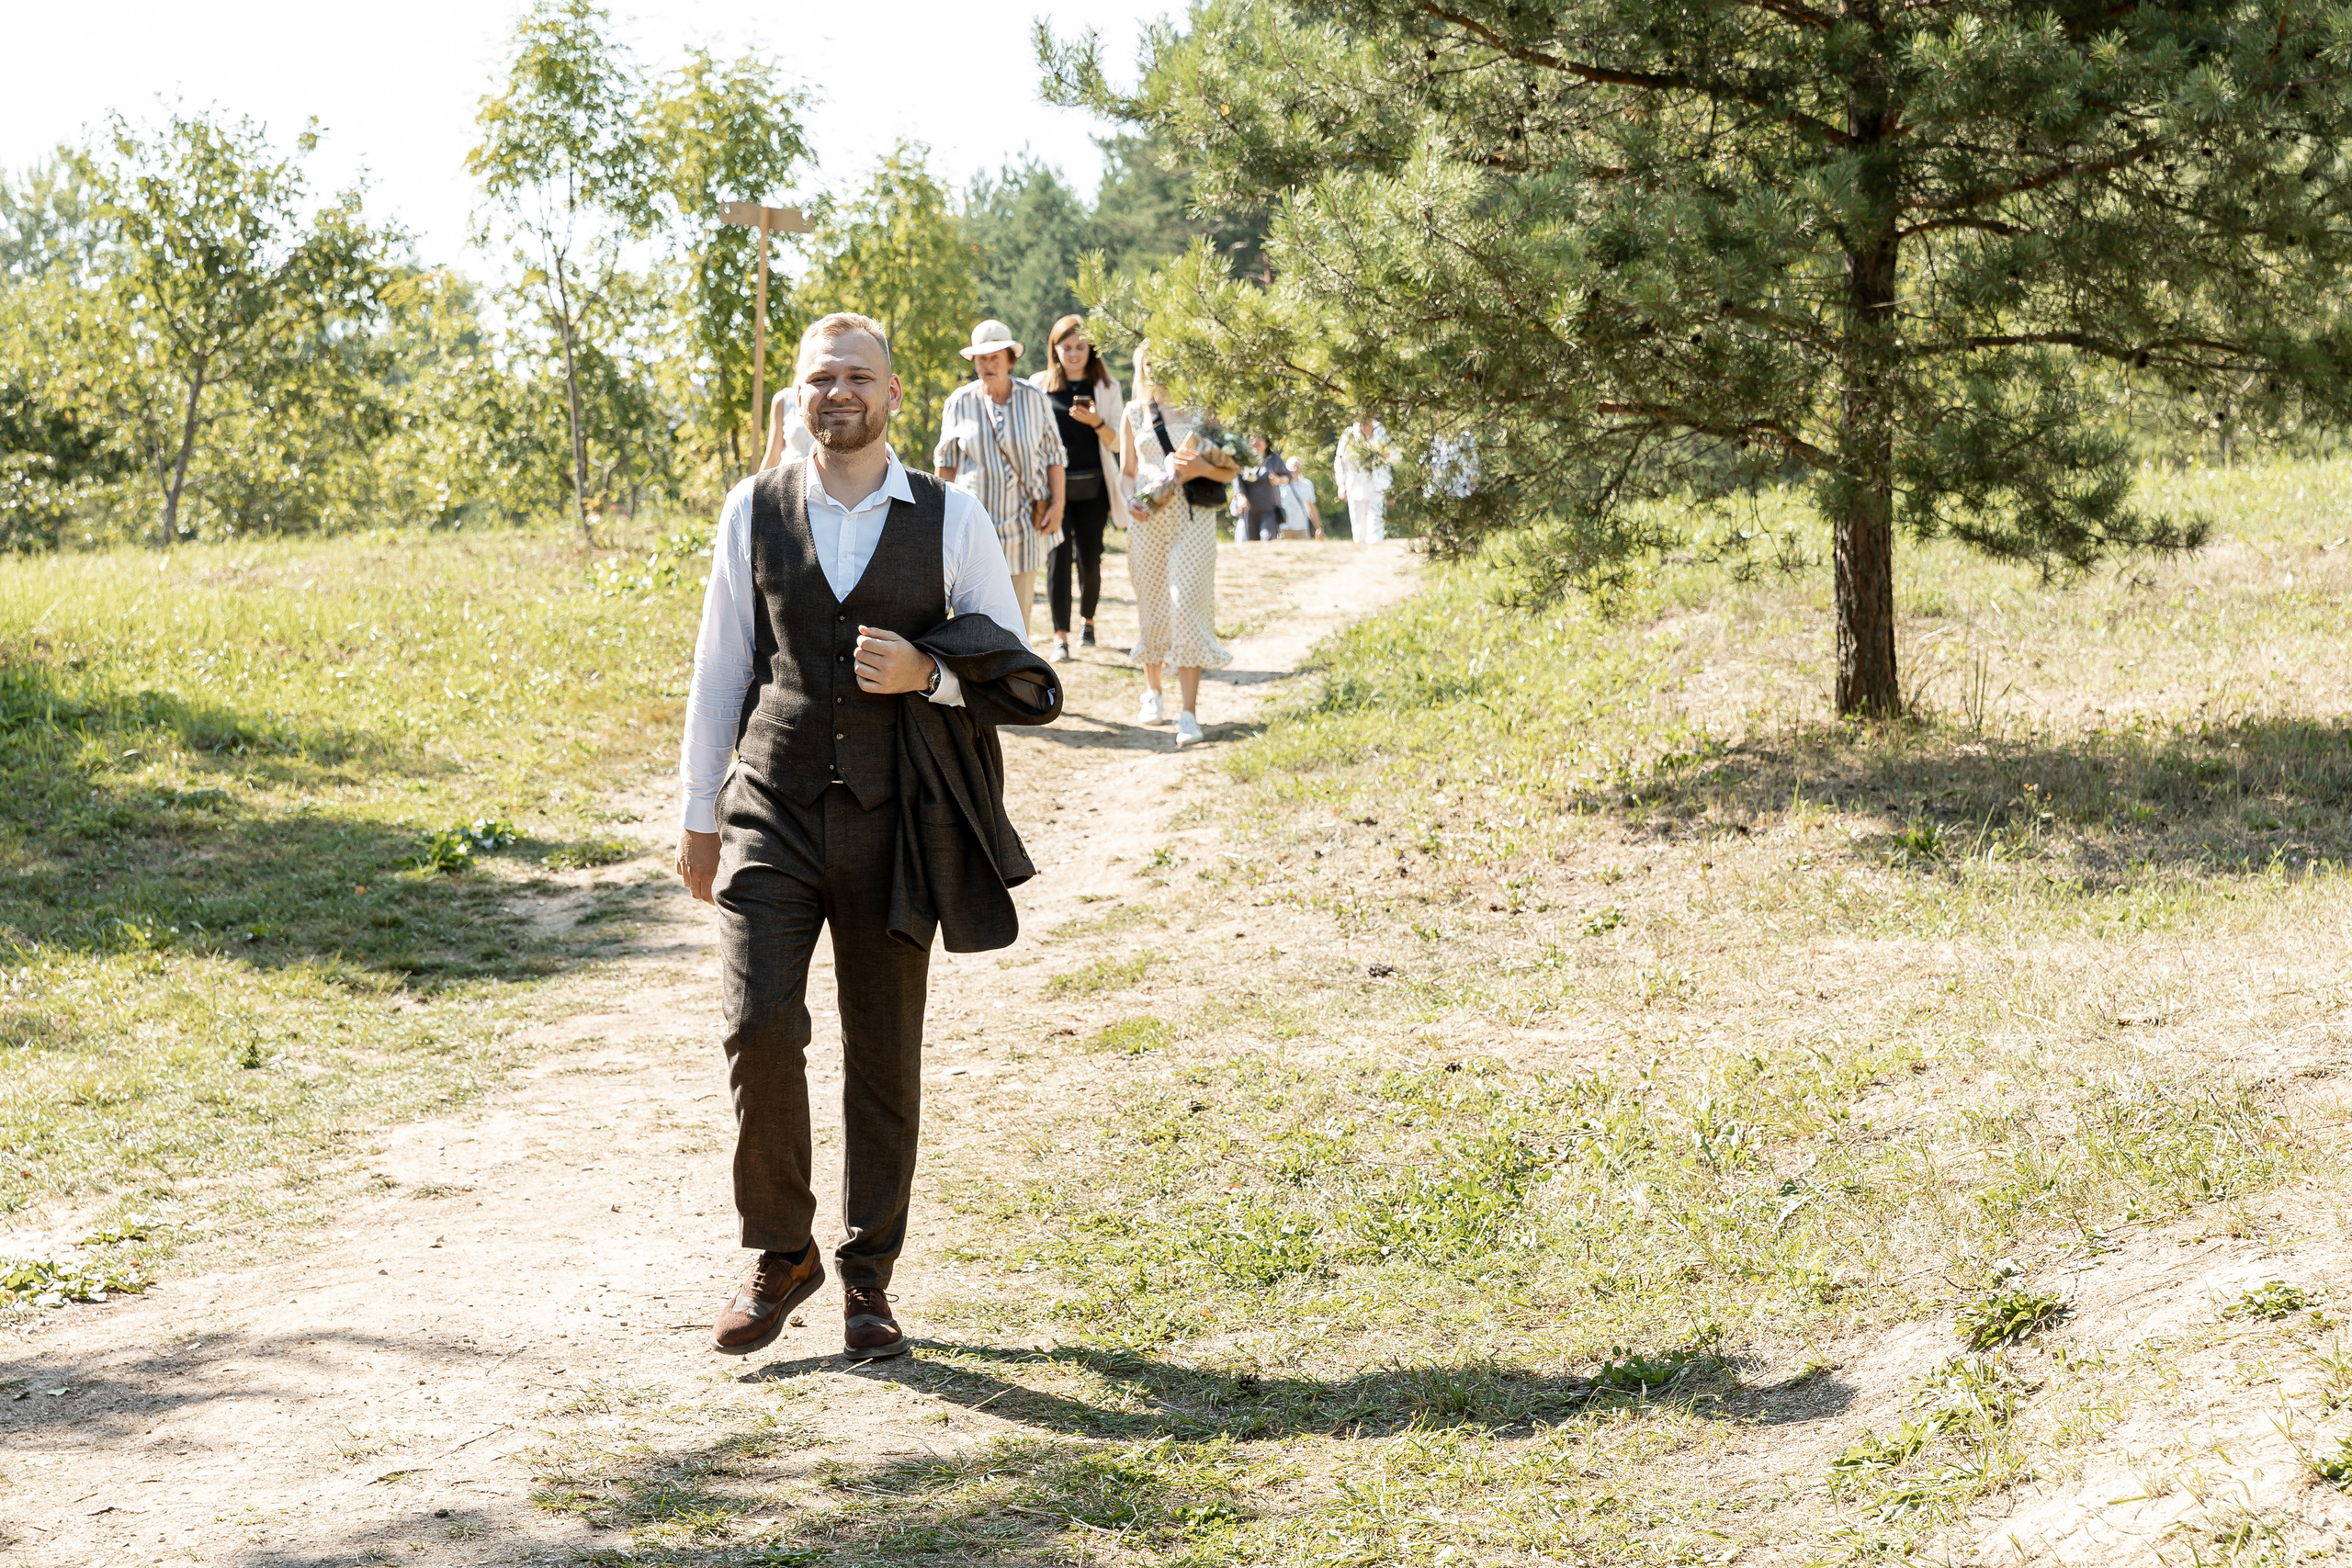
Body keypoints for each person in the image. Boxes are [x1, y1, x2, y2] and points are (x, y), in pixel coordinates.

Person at [676, 312, 1060, 1362]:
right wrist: (698, 817)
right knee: (759, 1029)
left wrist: (927, 676)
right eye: (818, 378)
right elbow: (721, 667)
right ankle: (779, 1251)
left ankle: (867, 1280)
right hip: (771, 810)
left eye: (857, 378)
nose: (836, 393)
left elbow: (1015, 675)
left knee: (884, 1059)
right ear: (797, 397)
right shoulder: (752, 509)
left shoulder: (950, 518)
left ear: (894, 395)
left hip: (900, 825)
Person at [1120, 340, 1238, 747]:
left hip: (1194, 518)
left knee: (1187, 605)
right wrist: (1129, 502)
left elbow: (1231, 469)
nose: (1158, 368)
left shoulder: (1206, 414)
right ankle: (1153, 692)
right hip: (1147, 521)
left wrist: (1201, 466)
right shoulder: (1133, 413)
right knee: (1152, 604)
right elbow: (1126, 472)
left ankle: (1189, 714)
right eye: (1150, 362)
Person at [934, 321, 1066, 646]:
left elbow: (1054, 455)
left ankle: (1015, 684)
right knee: (970, 614)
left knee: (1018, 618)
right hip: (973, 524)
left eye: (996, 357)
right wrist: (937, 519)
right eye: (982, 358)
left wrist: (1059, 504)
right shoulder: (959, 401)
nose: (988, 365)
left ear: (1010, 359)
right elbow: (946, 464)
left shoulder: (1034, 398)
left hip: (1024, 524)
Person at [1028, 315, 1125, 662]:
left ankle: (1088, 621)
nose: (1073, 353)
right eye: (1066, 346)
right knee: (1056, 559)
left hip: (1095, 489)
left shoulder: (1108, 387)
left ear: (1091, 349)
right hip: (1055, 490)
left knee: (1089, 560)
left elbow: (1117, 444)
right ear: (1054, 349)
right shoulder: (1038, 385)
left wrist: (1095, 421)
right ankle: (1060, 638)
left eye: (1080, 346)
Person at [1333, 416, 1396, 544]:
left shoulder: (1382, 431)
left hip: (1378, 484)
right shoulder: (1349, 434)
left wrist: (1383, 451)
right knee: (1358, 525)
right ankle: (1360, 550)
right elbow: (1339, 460)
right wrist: (1341, 484)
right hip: (1355, 484)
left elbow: (1395, 457)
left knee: (1376, 520)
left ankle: (1375, 550)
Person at [1235, 436, 1293, 544]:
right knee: (1253, 543)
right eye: (1252, 440)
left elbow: (1288, 477)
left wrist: (1278, 479)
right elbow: (1237, 481)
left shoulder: (1274, 459)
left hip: (1269, 509)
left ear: (1266, 442)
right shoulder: (1244, 460)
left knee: (1267, 539)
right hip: (1250, 510)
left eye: (1259, 439)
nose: (1255, 442)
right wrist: (1241, 497)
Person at [1276, 461, 1325, 538]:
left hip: (1302, 528)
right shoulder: (1279, 484)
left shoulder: (1307, 485)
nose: (1294, 470)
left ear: (1301, 469)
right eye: (1291, 467)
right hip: (1283, 528)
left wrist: (1319, 527)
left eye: (1297, 467)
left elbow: (1312, 508)